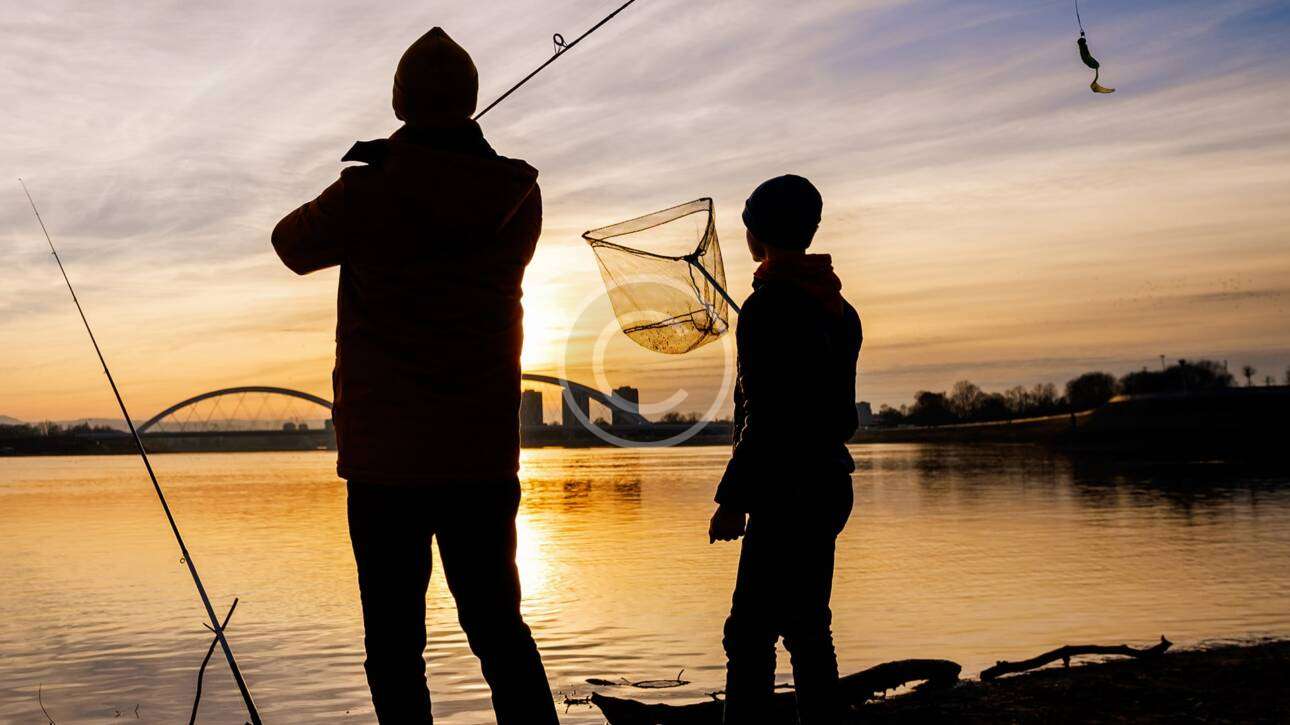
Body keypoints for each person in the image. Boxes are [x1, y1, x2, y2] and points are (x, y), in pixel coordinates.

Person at [271, 27, 559, 725]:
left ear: (400, 104)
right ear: (471, 102)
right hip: (481, 455)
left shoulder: (367, 191)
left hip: (385, 463)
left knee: (395, 646)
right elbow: (452, 206)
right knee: (499, 629)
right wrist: (410, 163)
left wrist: (384, 166)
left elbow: (290, 244)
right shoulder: (517, 193)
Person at [708, 175, 863, 724]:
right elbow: (838, 415)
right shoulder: (839, 307)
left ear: (757, 233)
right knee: (806, 626)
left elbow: (768, 419)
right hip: (829, 483)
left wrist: (733, 501)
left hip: (786, 490)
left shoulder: (768, 308)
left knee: (748, 633)